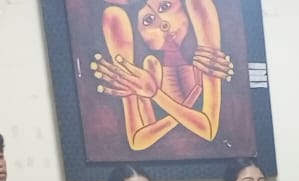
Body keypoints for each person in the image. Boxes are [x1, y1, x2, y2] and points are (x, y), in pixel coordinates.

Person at [90, 0, 234, 150]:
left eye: (165, 6)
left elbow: (209, 129)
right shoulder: (147, 69)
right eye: (148, 20)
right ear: (139, 33)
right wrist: (156, 94)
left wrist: (156, 95)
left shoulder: (203, 53)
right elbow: (137, 140)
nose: (163, 24)